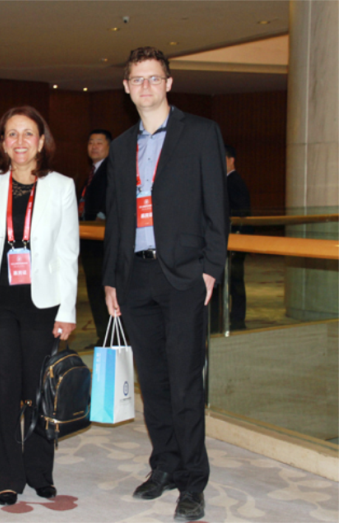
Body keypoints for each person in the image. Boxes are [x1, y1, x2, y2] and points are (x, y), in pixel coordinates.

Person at [103, 47, 228, 522]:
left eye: (154, 78)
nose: (146, 87)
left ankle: (193, 481)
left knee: (184, 384)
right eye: (137, 79)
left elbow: (217, 207)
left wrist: (210, 268)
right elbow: (117, 219)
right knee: (153, 382)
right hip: (135, 278)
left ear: (169, 84)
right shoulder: (120, 146)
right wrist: (112, 280)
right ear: (127, 87)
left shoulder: (200, 133)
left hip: (183, 276)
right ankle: (166, 465)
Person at [0, 106, 79, 506]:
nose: (20, 141)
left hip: (42, 302)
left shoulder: (62, 186)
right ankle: (7, 476)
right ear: (1, 142)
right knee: (3, 389)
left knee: (38, 390)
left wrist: (67, 310)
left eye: (28, 133)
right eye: (11, 134)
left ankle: (39, 471)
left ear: (41, 140)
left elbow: (68, 253)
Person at [79, 129, 112, 344]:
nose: (94, 146)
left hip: (102, 242)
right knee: (94, 289)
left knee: (102, 290)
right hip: (89, 240)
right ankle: (104, 336)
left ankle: (111, 337)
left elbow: (111, 202)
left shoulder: (111, 170)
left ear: (109, 146)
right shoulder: (93, 172)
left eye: (99, 142)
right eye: (91, 142)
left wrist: (101, 217)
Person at [225, 145, 251, 329]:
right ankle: (234, 317)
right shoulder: (228, 181)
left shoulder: (234, 181)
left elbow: (242, 213)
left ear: (231, 160)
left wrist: (237, 236)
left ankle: (237, 318)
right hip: (233, 239)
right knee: (233, 281)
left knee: (235, 281)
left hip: (236, 239)